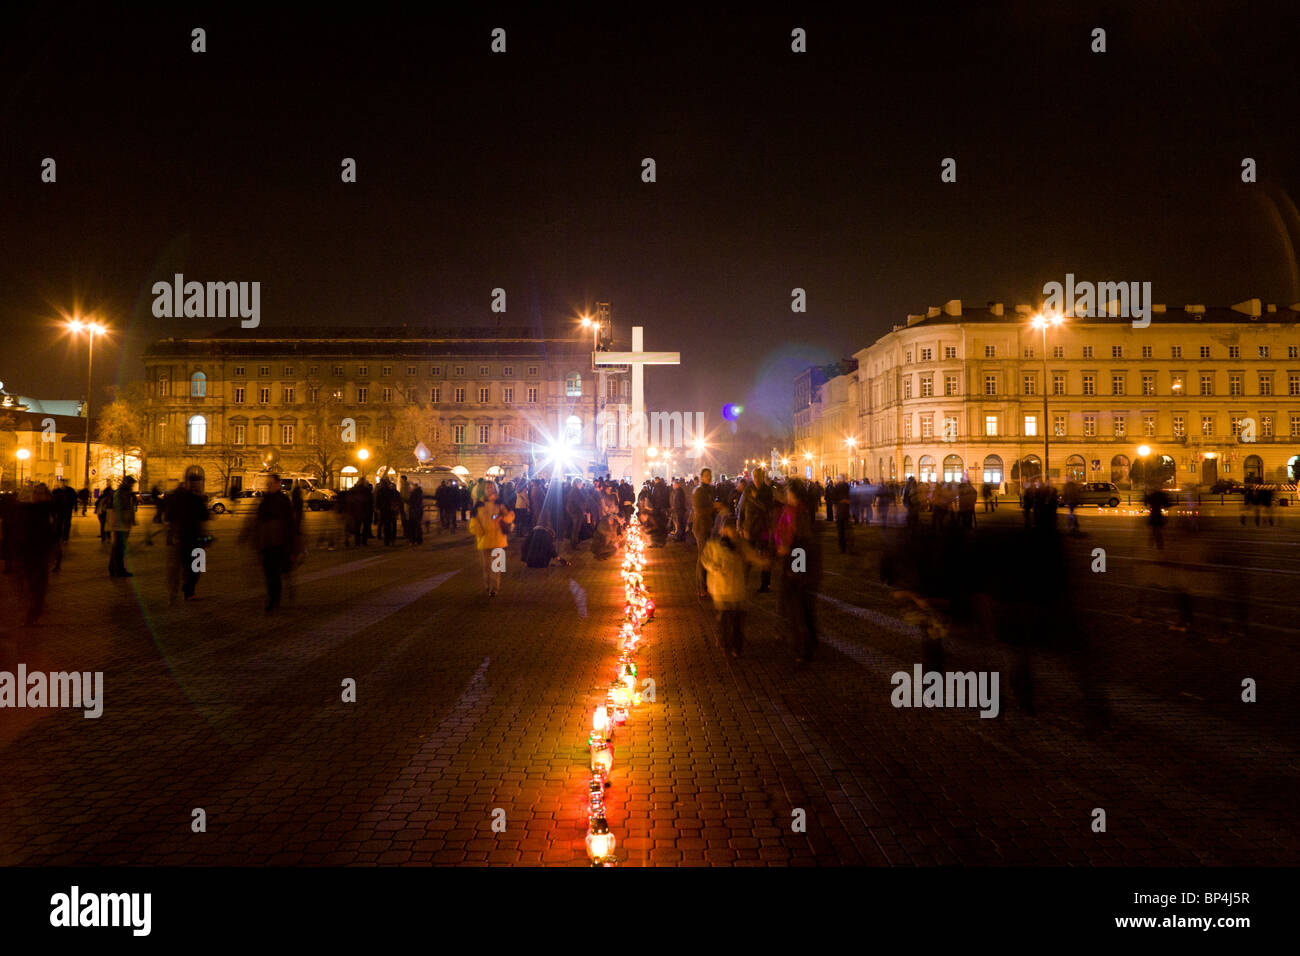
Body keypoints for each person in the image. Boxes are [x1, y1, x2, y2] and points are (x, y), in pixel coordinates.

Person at [701, 516, 763, 658]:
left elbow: (752, 556)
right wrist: (714, 567)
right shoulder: (714, 545)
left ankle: (736, 646)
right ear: (722, 529)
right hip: (721, 589)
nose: (733, 531)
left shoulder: (741, 545)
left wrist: (764, 561)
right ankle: (726, 645)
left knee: (737, 621)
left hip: (737, 590)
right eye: (729, 528)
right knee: (724, 620)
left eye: (734, 527)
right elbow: (705, 559)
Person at [774, 479, 821, 662]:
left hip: (796, 562)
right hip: (799, 563)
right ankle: (810, 642)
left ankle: (803, 648)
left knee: (797, 609)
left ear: (793, 494)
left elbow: (800, 542)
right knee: (804, 608)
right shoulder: (799, 509)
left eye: (787, 492)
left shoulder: (796, 512)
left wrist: (795, 570)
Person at [248, 474, 297, 613]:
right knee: (269, 573)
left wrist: (291, 545)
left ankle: (274, 599)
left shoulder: (284, 500)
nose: (268, 486)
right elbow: (258, 520)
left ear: (277, 484)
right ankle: (273, 597)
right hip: (266, 542)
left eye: (271, 483)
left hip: (279, 543)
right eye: (267, 483)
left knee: (275, 573)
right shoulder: (264, 500)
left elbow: (290, 523)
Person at [165, 470, 209, 603]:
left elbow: (169, 516)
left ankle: (187, 590)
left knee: (187, 566)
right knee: (196, 566)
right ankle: (189, 590)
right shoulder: (196, 499)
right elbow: (205, 516)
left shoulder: (177, 498)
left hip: (184, 538)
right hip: (193, 538)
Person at [469, 484, 514, 594]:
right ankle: (487, 585)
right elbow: (474, 522)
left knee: (497, 566)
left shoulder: (501, 503)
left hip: (499, 539)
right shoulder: (478, 504)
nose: (490, 489)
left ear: (495, 489)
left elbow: (511, 515)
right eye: (487, 487)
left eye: (492, 487)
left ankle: (495, 588)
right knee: (486, 566)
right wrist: (480, 532)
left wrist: (502, 518)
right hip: (484, 539)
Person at [108, 475, 138, 577]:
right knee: (119, 547)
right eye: (131, 484)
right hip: (120, 523)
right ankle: (118, 569)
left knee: (118, 547)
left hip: (123, 522)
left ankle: (114, 568)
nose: (132, 486)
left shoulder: (126, 493)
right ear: (127, 483)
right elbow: (119, 507)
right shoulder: (121, 493)